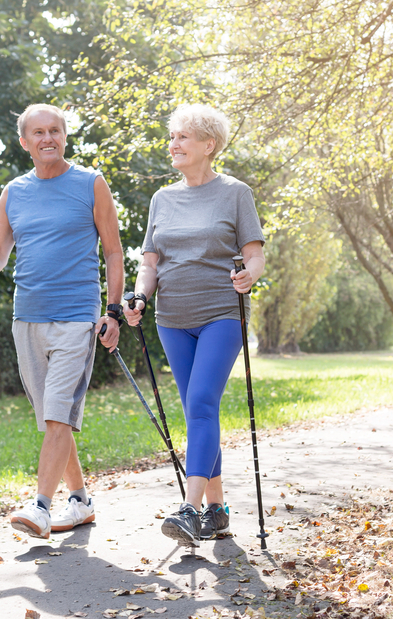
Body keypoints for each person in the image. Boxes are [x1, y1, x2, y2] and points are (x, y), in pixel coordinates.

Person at [0, 103, 124, 539]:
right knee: (52, 415)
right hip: (28, 320)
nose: (47, 138)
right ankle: (80, 501)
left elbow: (114, 251)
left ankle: (41, 507)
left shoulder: (91, 184)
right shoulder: (13, 193)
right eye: (38, 132)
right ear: (25, 143)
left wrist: (111, 311)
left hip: (77, 317)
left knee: (58, 414)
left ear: (65, 137)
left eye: (54, 130)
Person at [124, 103, 265, 546]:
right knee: (196, 412)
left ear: (209, 144)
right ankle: (217, 508)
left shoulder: (234, 192)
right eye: (172, 137)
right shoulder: (161, 199)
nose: (174, 144)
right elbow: (150, 264)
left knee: (202, 401)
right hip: (172, 318)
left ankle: (189, 508)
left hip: (222, 312)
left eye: (183, 136)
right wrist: (139, 295)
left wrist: (250, 274)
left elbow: (255, 253)